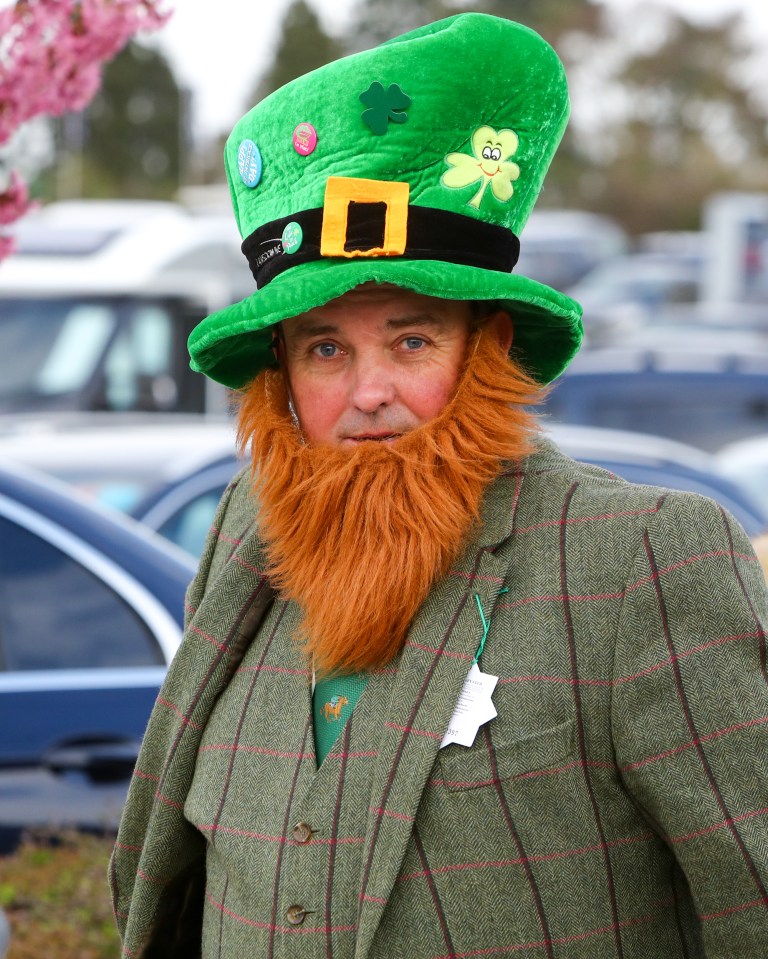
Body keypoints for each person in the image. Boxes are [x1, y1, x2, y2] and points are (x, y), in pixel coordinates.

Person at [109, 13, 768, 958]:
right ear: (281, 377)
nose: (369, 391)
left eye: (412, 340)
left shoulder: (642, 557)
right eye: (325, 348)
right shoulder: (246, 535)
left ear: (486, 350)